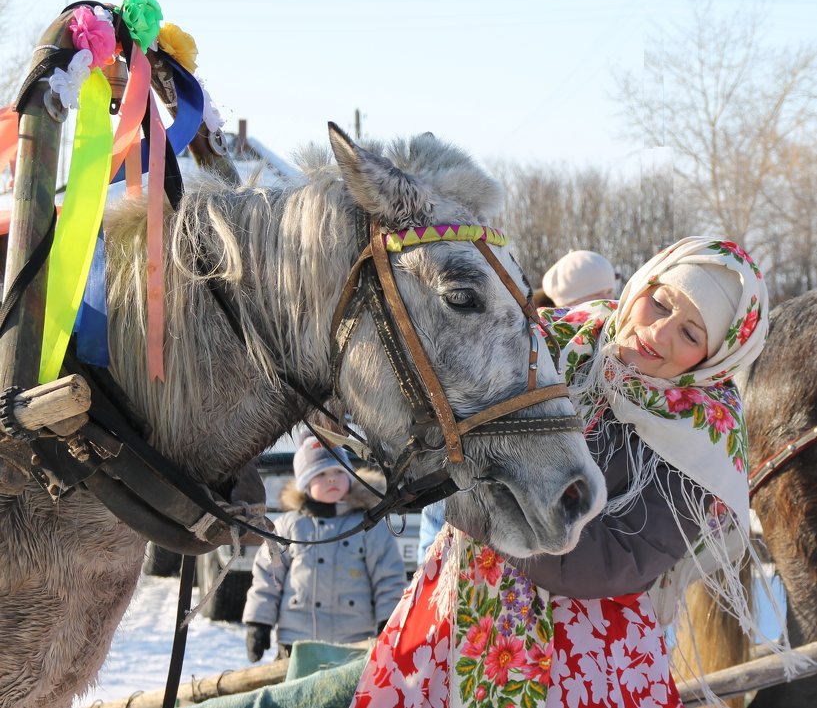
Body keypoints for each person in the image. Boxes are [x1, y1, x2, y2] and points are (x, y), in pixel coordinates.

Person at [349, 236, 784, 708]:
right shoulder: (556, 339)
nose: (659, 334)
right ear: (642, 283)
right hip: (455, 603)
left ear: (715, 358)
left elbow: (614, 561)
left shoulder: (704, 442)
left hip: (583, 652)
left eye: (691, 334)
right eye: (659, 303)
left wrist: (470, 503)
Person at [242, 435, 407, 662]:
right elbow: (268, 577)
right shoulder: (289, 526)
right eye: (321, 474)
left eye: (338, 472)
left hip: (354, 643)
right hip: (297, 642)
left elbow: (388, 578)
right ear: (305, 484)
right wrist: (258, 623)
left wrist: (387, 622)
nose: (332, 480)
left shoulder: (368, 526)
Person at [542, 249, 617, 306]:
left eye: (609, 292)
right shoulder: (544, 326)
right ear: (570, 303)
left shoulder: (621, 321)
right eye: (597, 294)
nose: (608, 299)